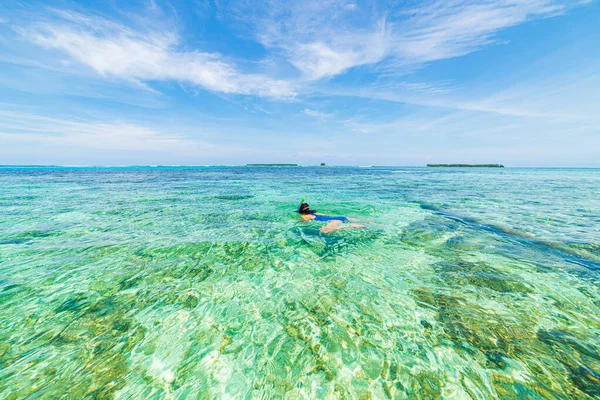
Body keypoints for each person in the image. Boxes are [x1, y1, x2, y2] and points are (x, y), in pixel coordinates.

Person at [297, 201, 367, 233]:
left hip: (333, 222)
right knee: (364, 221)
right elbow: (325, 215)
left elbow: (301, 222)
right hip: (339, 217)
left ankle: (350, 226)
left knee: (324, 231)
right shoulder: (315, 213)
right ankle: (372, 223)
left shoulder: (305, 216)